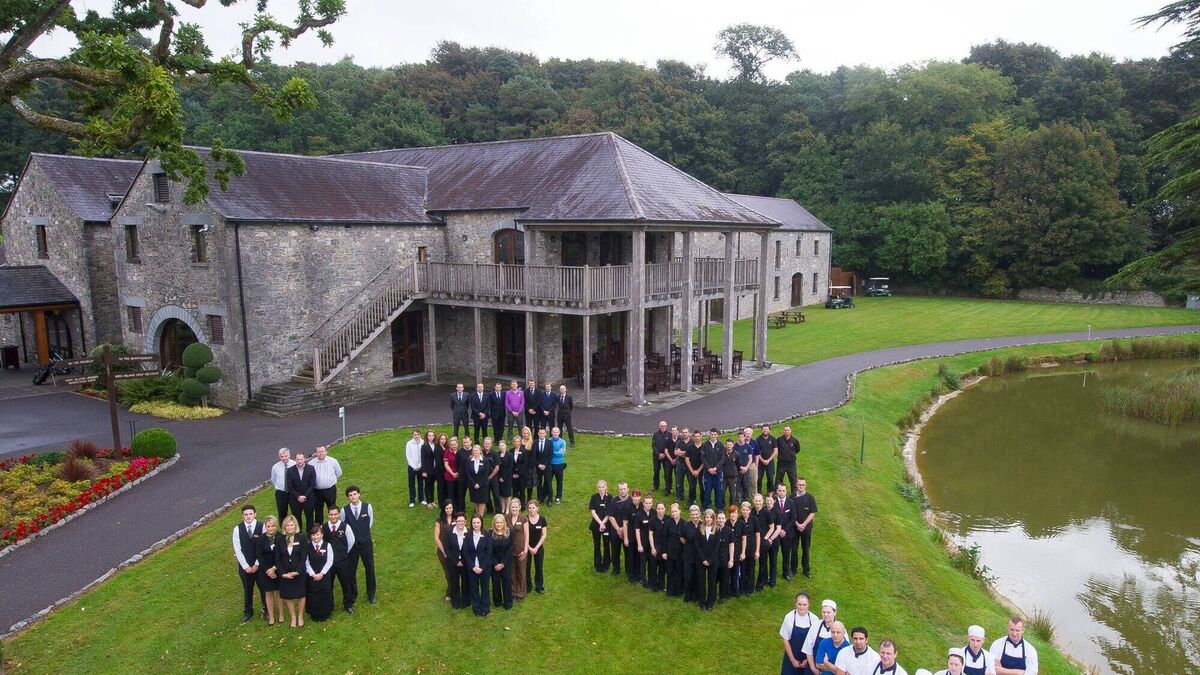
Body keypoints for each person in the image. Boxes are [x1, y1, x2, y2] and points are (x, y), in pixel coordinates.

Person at [342, 486, 376, 605]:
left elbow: (370, 523)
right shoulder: (344, 510)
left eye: (355, 494)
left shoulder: (368, 507)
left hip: (366, 543)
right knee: (351, 570)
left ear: (359, 494)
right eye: (350, 495)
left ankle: (371, 594)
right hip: (352, 546)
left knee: (370, 569)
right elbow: (344, 527)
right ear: (348, 497)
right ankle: (353, 594)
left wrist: (363, 535)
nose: (353, 497)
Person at [232, 504, 265, 623]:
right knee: (247, 589)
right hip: (245, 567)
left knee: (263, 588)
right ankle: (248, 612)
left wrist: (257, 564)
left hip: (259, 565)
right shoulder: (237, 529)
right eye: (246, 514)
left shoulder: (262, 526)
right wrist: (245, 566)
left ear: (255, 514)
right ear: (242, 516)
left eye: (250, 514)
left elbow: (264, 547)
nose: (248, 516)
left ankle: (267, 609)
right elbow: (237, 549)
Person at [322, 505, 357, 614]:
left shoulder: (345, 527)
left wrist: (343, 553)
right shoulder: (323, 528)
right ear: (328, 515)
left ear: (339, 515)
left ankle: (348, 604)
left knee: (346, 583)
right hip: (328, 563)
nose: (333, 517)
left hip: (342, 561)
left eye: (335, 514)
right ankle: (329, 605)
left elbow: (351, 541)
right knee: (328, 585)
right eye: (331, 514)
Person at [277, 515, 307, 628]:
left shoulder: (302, 537)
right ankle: (293, 617)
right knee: (288, 595)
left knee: (301, 594)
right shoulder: (280, 539)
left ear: (295, 526)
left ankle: (300, 616)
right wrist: (282, 573)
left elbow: (304, 556)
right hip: (285, 573)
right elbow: (277, 558)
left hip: (299, 572)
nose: (289, 527)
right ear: (284, 527)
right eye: (287, 525)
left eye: (291, 525)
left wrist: (297, 571)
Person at [780, 592, 819, 674]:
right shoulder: (789, 617)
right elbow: (785, 640)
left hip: (808, 658)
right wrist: (793, 660)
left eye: (804, 605)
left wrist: (807, 660)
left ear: (809, 605)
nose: (802, 607)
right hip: (791, 656)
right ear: (795, 604)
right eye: (799, 604)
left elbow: (815, 642)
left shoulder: (814, 619)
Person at [255, 515, 284, 625]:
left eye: (273, 526)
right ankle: (271, 616)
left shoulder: (281, 537)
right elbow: (259, 556)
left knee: (279, 593)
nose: (271, 528)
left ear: (276, 526)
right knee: (268, 593)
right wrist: (268, 570)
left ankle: (281, 614)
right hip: (265, 571)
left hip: (278, 568)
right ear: (265, 527)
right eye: (268, 526)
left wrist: (274, 568)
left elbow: (282, 555)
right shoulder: (260, 539)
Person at [463, 513, 492, 616]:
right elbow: (466, 552)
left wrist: (482, 567)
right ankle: (476, 608)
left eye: (478, 522)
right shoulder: (467, 535)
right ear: (471, 524)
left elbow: (489, 552)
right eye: (474, 522)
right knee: (474, 588)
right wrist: (473, 567)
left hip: (485, 567)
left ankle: (485, 608)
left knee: (485, 588)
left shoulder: (487, 534)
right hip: (472, 567)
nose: (476, 524)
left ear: (481, 523)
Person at [304, 524, 334, 622]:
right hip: (312, 575)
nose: (315, 537)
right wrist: (313, 574)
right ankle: (315, 613)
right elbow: (306, 562)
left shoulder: (327, 545)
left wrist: (322, 573)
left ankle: (326, 612)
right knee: (313, 593)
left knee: (325, 592)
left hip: (324, 574)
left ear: (322, 535)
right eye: (313, 535)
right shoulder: (307, 547)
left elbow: (330, 560)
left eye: (317, 534)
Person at [792, 477, 819, 578]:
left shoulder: (810, 498)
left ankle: (806, 570)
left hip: (806, 528)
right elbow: (790, 513)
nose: (801, 486)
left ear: (805, 485)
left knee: (806, 549)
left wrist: (803, 524)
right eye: (799, 484)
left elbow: (812, 513)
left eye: (803, 484)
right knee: (794, 549)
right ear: (796, 485)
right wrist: (797, 524)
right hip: (794, 528)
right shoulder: (791, 497)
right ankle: (793, 569)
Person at [442, 512, 469, 609]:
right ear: (455, 522)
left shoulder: (469, 532)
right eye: (458, 521)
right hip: (453, 562)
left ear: (465, 522)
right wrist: (456, 561)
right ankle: (456, 602)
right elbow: (446, 548)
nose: (460, 523)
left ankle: (465, 601)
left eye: (462, 521)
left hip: (466, 562)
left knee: (466, 582)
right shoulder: (449, 532)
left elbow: (471, 549)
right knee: (454, 582)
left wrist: (463, 561)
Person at [310, 446, 342, 524]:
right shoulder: (311, 463)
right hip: (316, 491)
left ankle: (334, 524)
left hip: (330, 490)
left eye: (322, 451)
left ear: (326, 452)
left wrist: (331, 481)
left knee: (332, 508)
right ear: (316, 453)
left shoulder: (333, 461)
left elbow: (339, 473)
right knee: (318, 509)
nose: (321, 453)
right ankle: (319, 527)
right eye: (319, 452)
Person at [695, 508, 719, 611]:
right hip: (701, 560)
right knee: (701, 582)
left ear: (713, 518)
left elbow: (717, 546)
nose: (708, 519)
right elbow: (697, 545)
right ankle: (702, 602)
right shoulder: (699, 528)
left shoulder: (717, 529)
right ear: (704, 518)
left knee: (712, 582)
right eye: (706, 517)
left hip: (713, 561)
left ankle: (710, 603)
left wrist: (710, 560)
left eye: (710, 517)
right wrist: (703, 559)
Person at [488, 513, 513, 610]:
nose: (499, 524)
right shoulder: (490, 533)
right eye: (497, 522)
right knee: (495, 582)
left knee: (506, 582)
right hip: (494, 563)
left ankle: (508, 603)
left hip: (505, 563)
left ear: (504, 523)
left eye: (501, 522)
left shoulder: (509, 532)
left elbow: (510, 549)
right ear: (494, 523)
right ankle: (497, 602)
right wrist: (495, 563)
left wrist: (503, 563)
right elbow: (488, 550)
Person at [286, 452, 316, 533]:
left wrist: (305, 496)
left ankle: (310, 535)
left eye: (301, 459)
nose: (299, 461)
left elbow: (312, 484)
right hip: (295, 499)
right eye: (298, 459)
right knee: (296, 518)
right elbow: (289, 486)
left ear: (304, 459)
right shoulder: (290, 470)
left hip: (308, 498)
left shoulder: (311, 468)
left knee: (310, 518)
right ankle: (298, 535)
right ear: (295, 460)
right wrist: (298, 496)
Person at [806, 599, 841, 668]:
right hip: (814, 666)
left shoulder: (840, 628)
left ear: (835, 612)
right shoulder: (815, 625)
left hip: (833, 669)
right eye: (823, 612)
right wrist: (813, 668)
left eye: (828, 612)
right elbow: (808, 649)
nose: (826, 615)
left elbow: (844, 652)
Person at [506, 497, 529, 601]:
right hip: (510, 550)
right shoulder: (506, 518)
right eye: (512, 507)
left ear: (519, 507)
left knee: (521, 572)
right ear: (510, 507)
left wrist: (525, 550)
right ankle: (513, 591)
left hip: (521, 550)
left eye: (516, 507)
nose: (514, 509)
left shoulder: (524, 519)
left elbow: (527, 536)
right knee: (512, 572)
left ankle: (521, 592)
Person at [433, 500, 456, 603]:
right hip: (443, 552)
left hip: (455, 551)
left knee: (456, 573)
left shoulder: (457, 519)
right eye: (447, 508)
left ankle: (456, 591)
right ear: (444, 509)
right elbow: (436, 537)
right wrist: (444, 551)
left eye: (450, 508)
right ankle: (449, 593)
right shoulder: (439, 521)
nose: (449, 510)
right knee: (448, 573)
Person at [608, 482, 632, 576]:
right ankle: (616, 569)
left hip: (628, 531)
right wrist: (618, 529)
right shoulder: (613, 501)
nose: (623, 491)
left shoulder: (632, 501)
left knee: (629, 552)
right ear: (618, 490)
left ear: (628, 489)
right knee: (615, 551)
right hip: (615, 531)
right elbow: (610, 517)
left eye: (624, 489)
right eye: (621, 489)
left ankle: (628, 569)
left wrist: (624, 529)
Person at [589, 480, 613, 572]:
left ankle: (606, 564)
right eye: (599, 487)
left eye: (603, 487)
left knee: (606, 544)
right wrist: (600, 523)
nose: (601, 489)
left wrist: (603, 523)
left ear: (606, 487)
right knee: (597, 544)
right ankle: (598, 565)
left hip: (606, 525)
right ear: (597, 488)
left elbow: (609, 512)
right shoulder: (594, 497)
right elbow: (593, 511)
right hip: (596, 525)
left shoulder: (609, 497)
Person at [776, 483, 798, 581]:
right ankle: (773, 573)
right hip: (775, 534)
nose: (782, 492)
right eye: (780, 490)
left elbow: (793, 518)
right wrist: (778, 530)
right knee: (774, 555)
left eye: (783, 490)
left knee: (786, 554)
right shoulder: (773, 503)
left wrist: (784, 530)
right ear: (777, 491)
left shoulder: (791, 502)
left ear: (786, 491)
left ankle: (786, 572)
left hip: (787, 533)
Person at [525, 500, 548, 593]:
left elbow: (544, 534)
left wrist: (536, 548)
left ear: (537, 508)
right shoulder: (525, 519)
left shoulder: (542, 519)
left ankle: (539, 586)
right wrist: (529, 548)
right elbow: (523, 535)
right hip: (527, 547)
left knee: (539, 568)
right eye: (529, 508)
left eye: (533, 508)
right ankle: (528, 586)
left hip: (539, 548)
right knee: (527, 568)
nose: (531, 510)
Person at [681, 504, 702, 603]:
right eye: (693, 514)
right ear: (690, 515)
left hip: (699, 556)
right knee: (688, 577)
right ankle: (687, 596)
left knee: (697, 577)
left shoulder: (704, 524)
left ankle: (696, 595)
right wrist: (689, 545)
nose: (695, 516)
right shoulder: (686, 525)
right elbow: (682, 538)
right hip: (688, 555)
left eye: (696, 514)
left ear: (700, 514)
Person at [663, 502, 685, 596]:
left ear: (679, 511)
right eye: (672, 512)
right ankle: (670, 590)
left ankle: (679, 590)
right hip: (670, 551)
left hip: (680, 552)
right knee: (670, 571)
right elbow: (664, 537)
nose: (674, 513)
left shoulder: (684, 523)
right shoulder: (668, 523)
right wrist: (664, 552)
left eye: (675, 511)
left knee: (679, 571)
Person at [701, 428, 725, 510]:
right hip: (707, 473)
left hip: (718, 473)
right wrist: (709, 469)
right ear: (709, 434)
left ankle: (719, 507)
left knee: (718, 490)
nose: (713, 436)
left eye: (715, 434)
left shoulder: (721, 445)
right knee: (707, 490)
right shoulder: (705, 445)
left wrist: (715, 468)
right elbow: (703, 458)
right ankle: (706, 506)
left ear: (717, 435)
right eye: (712, 434)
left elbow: (722, 459)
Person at [634, 493, 655, 587]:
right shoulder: (639, 515)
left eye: (650, 503)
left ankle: (651, 580)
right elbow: (637, 530)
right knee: (643, 562)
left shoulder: (654, 513)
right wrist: (639, 544)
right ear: (643, 503)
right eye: (646, 503)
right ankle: (643, 580)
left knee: (651, 562)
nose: (648, 505)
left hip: (652, 543)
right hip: (643, 542)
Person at [465, 444, 491, 519]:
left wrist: (479, 484)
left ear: (480, 451)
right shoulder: (469, 460)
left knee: (482, 500)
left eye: (477, 450)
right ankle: (477, 514)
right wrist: (474, 484)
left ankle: (481, 516)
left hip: (483, 484)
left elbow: (486, 472)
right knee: (475, 500)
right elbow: (467, 472)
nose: (475, 452)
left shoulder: (485, 460)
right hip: (472, 484)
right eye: (474, 450)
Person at [270, 448, 295, 522]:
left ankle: (296, 527)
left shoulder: (294, 464)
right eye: (282, 456)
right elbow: (274, 479)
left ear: (289, 455)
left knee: (295, 511)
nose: (284, 458)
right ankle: (283, 527)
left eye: (285, 456)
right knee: (282, 512)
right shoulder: (275, 467)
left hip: (293, 492)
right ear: (279, 456)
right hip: (281, 493)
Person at [727, 504, 746, 598]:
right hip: (727, 552)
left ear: (737, 514)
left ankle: (735, 591)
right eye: (732, 513)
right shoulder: (726, 523)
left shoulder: (741, 523)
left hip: (738, 551)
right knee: (727, 573)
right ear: (729, 514)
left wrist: (743, 552)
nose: (733, 515)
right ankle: (727, 591)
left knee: (735, 572)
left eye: (735, 513)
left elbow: (744, 539)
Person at [741, 501, 760, 595]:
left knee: (751, 570)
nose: (745, 511)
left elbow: (758, 536)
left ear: (750, 511)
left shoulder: (754, 520)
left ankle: (750, 589)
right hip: (742, 550)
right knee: (743, 569)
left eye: (747, 510)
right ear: (741, 510)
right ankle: (743, 588)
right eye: (743, 509)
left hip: (752, 549)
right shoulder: (739, 520)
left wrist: (757, 551)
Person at [649, 501, 667, 592]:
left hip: (664, 548)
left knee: (662, 568)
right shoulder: (652, 520)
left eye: (662, 508)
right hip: (655, 547)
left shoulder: (668, 519)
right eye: (659, 509)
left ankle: (662, 585)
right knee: (653, 567)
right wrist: (652, 547)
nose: (660, 510)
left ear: (665, 509)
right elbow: (650, 534)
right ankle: (654, 585)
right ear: (656, 509)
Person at [492, 441, 514, 514]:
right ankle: (503, 507)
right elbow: (496, 466)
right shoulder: (497, 454)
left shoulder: (510, 455)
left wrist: (504, 478)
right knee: (501, 494)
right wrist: (499, 477)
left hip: (507, 477)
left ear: (506, 446)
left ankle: (507, 508)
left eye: (503, 445)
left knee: (507, 494)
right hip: (499, 477)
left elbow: (510, 467)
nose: (501, 447)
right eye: (500, 446)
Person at [715, 510, 732, 602]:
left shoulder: (729, 530)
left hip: (725, 558)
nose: (721, 520)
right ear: (716, 519)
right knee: (713, 579)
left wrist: (731, 559)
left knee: (724, 578)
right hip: (714, 559)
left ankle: (722, 596)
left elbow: (731, 545)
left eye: (722, 518)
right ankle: (713, 595)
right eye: (719, 518)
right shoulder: (713, 529)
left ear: (725, 519)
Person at [777, 426, 800, 496]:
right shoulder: (779, 440)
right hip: (781, 463)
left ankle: (794, 495)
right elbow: (776, 449)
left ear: (790, 431)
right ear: (783, 431)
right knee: (778, 479)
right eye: (785, 430)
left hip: (791, 464)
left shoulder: (795, 440)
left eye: (788, 430)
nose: (786, 431)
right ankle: (779, 493)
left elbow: (797, 450)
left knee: (793, 480)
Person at [684, 429, 704, 506]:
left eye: (698, 436)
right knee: (692, 487)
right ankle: (691, 501)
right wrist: (692, 471)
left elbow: (705, 460)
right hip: (691, 471)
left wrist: (698, 471)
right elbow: (686, 459)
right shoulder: (690, 447)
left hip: (702, 471)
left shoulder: (704, 447)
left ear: (701, 436)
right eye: (695, 436)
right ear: (693, 437)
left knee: (702, 487)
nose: (697, 438)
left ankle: (703, 502)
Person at [420, 431, 440, 509]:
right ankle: (428, 502)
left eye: (432, 435)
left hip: (435, 469)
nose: (431, 437)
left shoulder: (436, 445)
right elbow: (423, 459)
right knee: (428, 486)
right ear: (427, 437)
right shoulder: (424, 446)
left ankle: (432, 501)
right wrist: (424, 471)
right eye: (429, 436)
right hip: (428, 469)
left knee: (432, 486)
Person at [405, 429, 424, 508]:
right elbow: (408, 456)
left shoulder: (423, 442)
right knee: (411, 484)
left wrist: (419, 466)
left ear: (420, 435)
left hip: (421, 467)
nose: (416, 436)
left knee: (420, 483)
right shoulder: (409, 443)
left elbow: (424, 456)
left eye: (418, 434)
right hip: (411, 467)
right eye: (415, 435)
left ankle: (421, 499)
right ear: (412, 435)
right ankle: (412, 500)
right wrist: (414, 466)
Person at [534, 428, 553, 504]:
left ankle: (550, 499)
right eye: (540, 433)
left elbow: (550, 455)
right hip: (538, 467)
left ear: (545, 434)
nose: (541, 434)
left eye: (543, 433)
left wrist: (544, 465)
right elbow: (534, 455)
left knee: (548, 483)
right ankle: (540, 498)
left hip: (547, 466)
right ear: (538, 434)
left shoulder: (549, 443)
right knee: (539, 483)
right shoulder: (535, 442)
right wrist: (538, 464)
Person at [548, 426, 567, 504]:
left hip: (559, 464)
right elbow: (547, 452)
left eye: (556, 432)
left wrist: (552, 452)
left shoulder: (563, 442)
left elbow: (561, 453)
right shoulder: (549, 441)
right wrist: (556, 451)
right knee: (548, 481)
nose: (555, 433)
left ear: (559, 433)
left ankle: (558, 496)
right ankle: (549, 496)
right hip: (550, 464)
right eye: (554, 432)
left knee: (559, 481)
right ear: (551, 432)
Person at [757, 424, 778, 495]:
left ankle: (770, 492)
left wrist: (768, 460)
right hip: (760, 462)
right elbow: (757, 452)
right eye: (764, 429)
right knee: (759, 478)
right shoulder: (758, 439)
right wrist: (762, 460)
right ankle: (759, 492)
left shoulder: (773, 439)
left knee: (770, 478)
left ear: (769, 430)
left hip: (770, 462)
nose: (765, 431)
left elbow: (775, 451)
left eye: (766, 429)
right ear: (762, 430)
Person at [651, 420, 672, 491]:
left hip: (666, 457)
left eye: (665, 426)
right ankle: (656, 485)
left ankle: (668, 487)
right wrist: (659, 454)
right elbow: (653, 446)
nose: (663, 427)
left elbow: (670, 446)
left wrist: (665, 454)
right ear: (659, 426)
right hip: (656, 457)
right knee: (656, 471)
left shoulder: (670, 434)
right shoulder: (655, 434)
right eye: (662, 426)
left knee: (667, 472)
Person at [722, 439, 743, 507]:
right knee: (722, 492)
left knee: (733, 494)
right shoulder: (722, 453)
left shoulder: (737, 454)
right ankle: (722, 506)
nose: (729, 446)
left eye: (730, 445)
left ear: (733, 445)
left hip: (733, 477)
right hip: (724, 477)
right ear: (725, 445)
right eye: (727, 444)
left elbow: (739, 465)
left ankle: (732, 507)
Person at [442, 439, 460, 513]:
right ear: (450, 445)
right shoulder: (447, 452)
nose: (453, 446)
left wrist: (458, 473)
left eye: (454, 444)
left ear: (457, 444)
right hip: (450, 476)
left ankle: (459, 508)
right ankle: (452, 509)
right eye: (451, 445)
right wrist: (453, 473)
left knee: (458, 493)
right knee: (451, 494)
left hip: (459, 476)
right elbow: (446, 465)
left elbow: (463, 463)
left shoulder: (460, 451)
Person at [741, 426, 760, 498]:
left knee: (754, 481)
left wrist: (757, 463)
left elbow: (757, 454)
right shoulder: (741, 442)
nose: (748, 435)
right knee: (743, 481)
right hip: (743, 465)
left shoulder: (754, 443)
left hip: (752, 464)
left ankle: (755, 496)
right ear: (744, 434)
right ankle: (744, 496)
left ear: (751, 435)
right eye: (746, 433)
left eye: (749, 434)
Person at [673, 427, 690, 502]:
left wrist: (681, 453)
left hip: (689, 465)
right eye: (683, 433)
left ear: (689, 433)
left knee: (691, 482)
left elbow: (693, 453)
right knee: (679, 482)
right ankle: (679, 496)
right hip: (680, 464)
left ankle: (691, 497)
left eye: (686, 432)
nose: (685, 434)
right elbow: (676, 453)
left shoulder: (692, 442)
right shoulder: (679, 442)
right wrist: (686, 453)